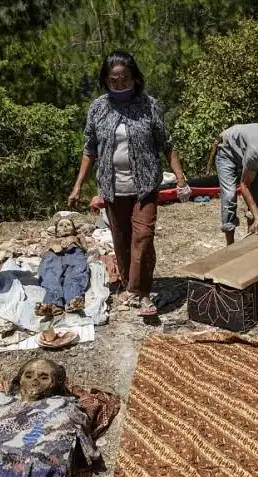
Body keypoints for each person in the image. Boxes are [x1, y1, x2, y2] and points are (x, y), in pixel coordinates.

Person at [68, 51, 188, 317]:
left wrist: (180, 178)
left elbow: (166, 144)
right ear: (106, 81)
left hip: (144, 186)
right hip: (112, 187)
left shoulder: (149, 105)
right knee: (122, 241)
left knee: (143, 236)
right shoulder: (99, 108)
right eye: (114, 80)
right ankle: (129, 285)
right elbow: (90, 149)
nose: (120, 84)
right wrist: (78, 185)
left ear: (134, 77)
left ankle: (140, 292)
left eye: (125, 78)